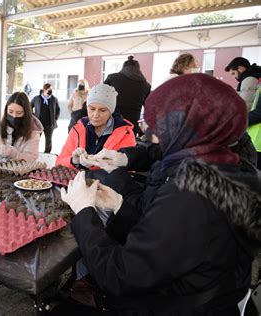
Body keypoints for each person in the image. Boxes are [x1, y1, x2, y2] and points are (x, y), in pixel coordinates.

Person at [56, 74, 260, 315]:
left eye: (163, 126)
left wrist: (84, 212)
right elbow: (166, 238)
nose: (154, 134)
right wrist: (121, 205)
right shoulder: (225, 169)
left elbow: (119, 275)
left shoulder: (188, 194)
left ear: (189, 127)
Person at [56, 83, 136, 169]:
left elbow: (128, 170)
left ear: (111, 111)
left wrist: (105, 165)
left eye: (102, 110)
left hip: (105, 182)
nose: (95, 115)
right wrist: (73, 161)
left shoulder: (125, 134)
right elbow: (59, 162)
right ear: (86, 107)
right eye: (92, 109)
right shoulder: (77, 129)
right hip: (77, 181)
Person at [104, 56, 151, 136]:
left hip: (112, 121)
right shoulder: (146, 85)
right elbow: (148, 106)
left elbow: (101, 95)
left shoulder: (112, 78)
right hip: (132, 124)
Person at [31, 83, 60, 153]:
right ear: (44, 89)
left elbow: (58, 109)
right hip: (38, 123)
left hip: (49, 124)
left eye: (51, 89)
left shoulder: (54, 99)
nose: (50, 90)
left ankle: (47, 153)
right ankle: (34, 152)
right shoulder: (36, 98)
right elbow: (29, 106)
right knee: (36, 139)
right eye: (49, 89)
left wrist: (55, 118)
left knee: (48, 140)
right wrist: (33, 116)